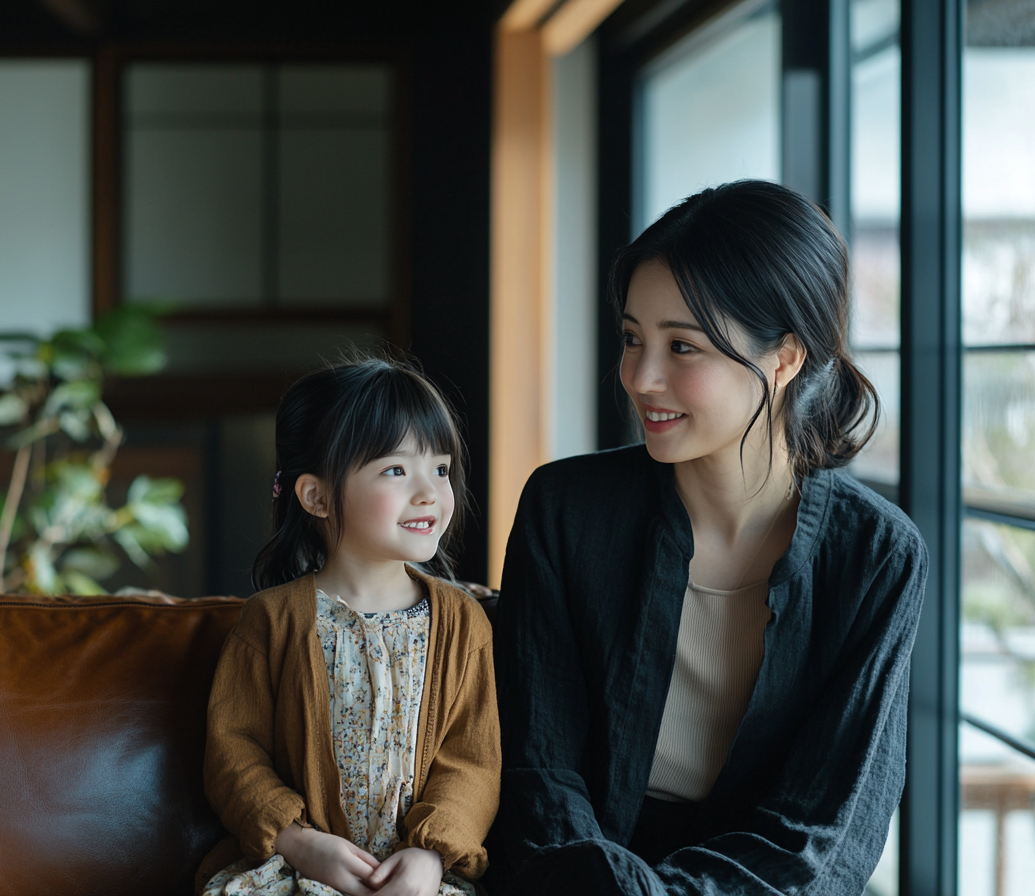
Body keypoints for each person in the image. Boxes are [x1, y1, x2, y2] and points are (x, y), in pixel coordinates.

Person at [493, 180, 929, 894]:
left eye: (683, 348)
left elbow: (824, 833)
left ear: (785, 358)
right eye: (633, 339)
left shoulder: (877, 558)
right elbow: (539, 769)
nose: (641, 377)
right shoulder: (566, 509)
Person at [197, 356, 499, 896]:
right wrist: (297, 841)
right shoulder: (272, 620)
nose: (430, 491)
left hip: (419, 878)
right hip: (300, 868)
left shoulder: (462, 624)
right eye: (395, 469)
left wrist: (430, 856)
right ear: (315, 496)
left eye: (441, 468)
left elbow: (471, 762)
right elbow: (233, 752)